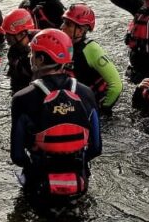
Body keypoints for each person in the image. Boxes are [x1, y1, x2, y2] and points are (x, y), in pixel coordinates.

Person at [10, 29, 102, 201]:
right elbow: (96, 148)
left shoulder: (21, 98)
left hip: (39, 184)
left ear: (41, 59)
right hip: (79, 183)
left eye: (33, 53)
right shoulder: (87, 93)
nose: (30, 57)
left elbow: (17, 156)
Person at [60, 4, 122, 115]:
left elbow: (116, 86)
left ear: (80, 30)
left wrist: (101, 110)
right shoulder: (64, 46)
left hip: (92, 109)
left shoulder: (91, 49)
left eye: (68, 24)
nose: (62, 27)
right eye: (63, 22)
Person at [2, 8, 36, 93]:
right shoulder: (13, 50)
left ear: (22, 34)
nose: (5, 37)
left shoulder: (35, 53)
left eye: (9, 35)